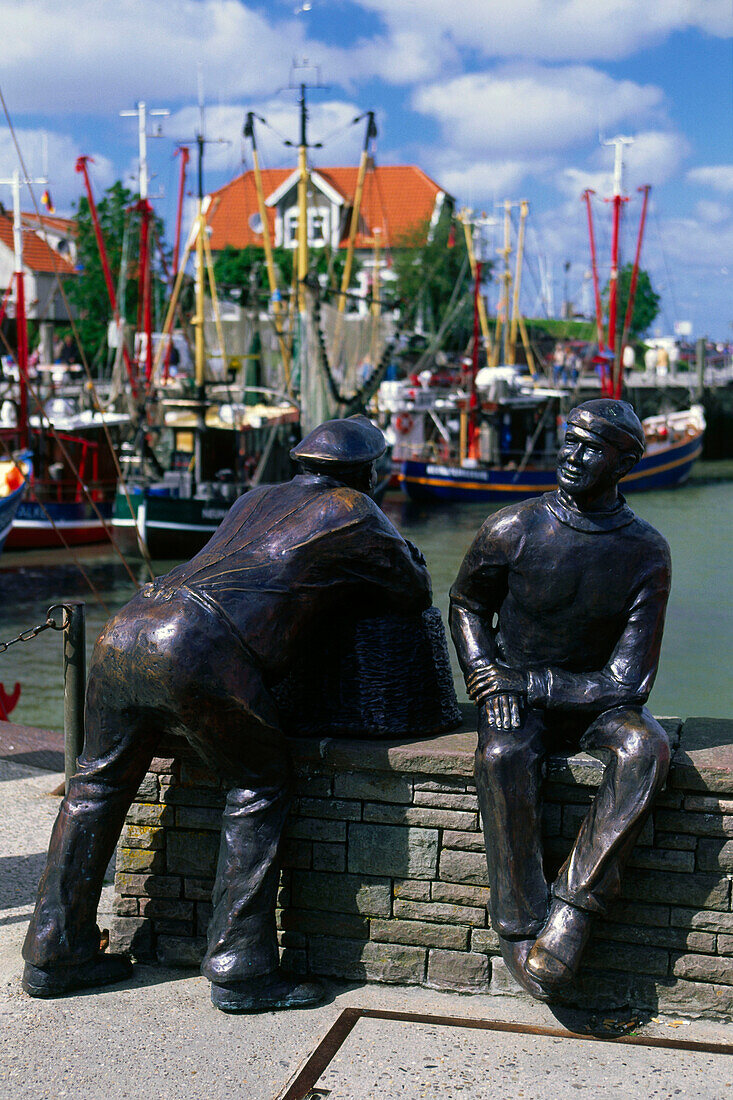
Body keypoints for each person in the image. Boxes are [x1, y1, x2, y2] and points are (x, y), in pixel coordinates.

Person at [23, 415, 432, 1013]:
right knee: (258, 785)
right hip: (196, 645)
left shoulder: (254, 497)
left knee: (93, 787)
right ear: (368, 472)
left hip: (129, 625)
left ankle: (55, 951)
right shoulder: (354, 510)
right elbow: (415, 587)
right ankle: (241, 968)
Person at [450, 399, 671, 999]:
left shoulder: (645, 552)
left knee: (645, 746)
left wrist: (531, 682)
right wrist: (486, 673)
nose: (571, 457)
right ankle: (519, 921)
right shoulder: (512, 527)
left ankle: (573, 909)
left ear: (624, 462)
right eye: (568, 441)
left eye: (590, 447)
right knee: (502, 758)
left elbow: (628, 683)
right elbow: (468, 604)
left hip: (593, 703)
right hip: (516, 699)